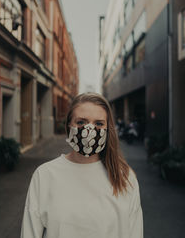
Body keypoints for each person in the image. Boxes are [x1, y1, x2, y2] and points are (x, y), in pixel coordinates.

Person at [20, 92, 143, 238]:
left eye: (98, 124)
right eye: (81, 122)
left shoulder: (125, 177)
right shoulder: (45, 175)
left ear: (108, 129)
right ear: (68, 126)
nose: (89, 130)